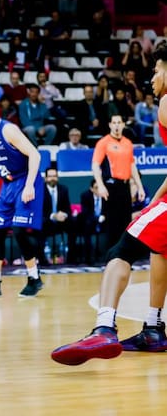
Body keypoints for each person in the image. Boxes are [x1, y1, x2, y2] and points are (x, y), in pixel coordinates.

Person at [51, 42, 167, 365]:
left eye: (156, 70)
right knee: (160, 251)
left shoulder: (166, 101)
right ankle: (154, 328)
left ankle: (104, 327)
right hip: (124, 191)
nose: (152, 79)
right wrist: (155, 199)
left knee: (120, 251)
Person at [0, 97, 45, 298]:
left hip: (26, 180)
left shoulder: (8, 130)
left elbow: (35, 155)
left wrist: (29, 185)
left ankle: (34, 277)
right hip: (7, 185)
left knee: (19, 230)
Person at [92, 114, 145, 251]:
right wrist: (100, 185)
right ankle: (112, 257)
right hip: (111, 186)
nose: (116, 125)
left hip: (125, 186)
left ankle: (123, 257)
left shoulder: (128, 143)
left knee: (125, 223)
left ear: (123, 125)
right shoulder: (103, 142)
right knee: (112, 224)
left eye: (119, 122)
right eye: (114, 122)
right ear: (110, 125)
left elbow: (132, 166)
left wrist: (140, 187)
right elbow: (95, 165)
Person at [42, 167, 77, 265]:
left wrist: (63, 215)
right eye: (50, 176)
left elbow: (67, 209)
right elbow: (40, 211)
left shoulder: (63, 189)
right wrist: (53, 216)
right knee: (40, 223)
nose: (52, 178)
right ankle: (42, 260)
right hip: (47, 221)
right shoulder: (40, 190)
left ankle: (71, 259)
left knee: (73, 223)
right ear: (46, 178)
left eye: (54, 176)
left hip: (61, 221)